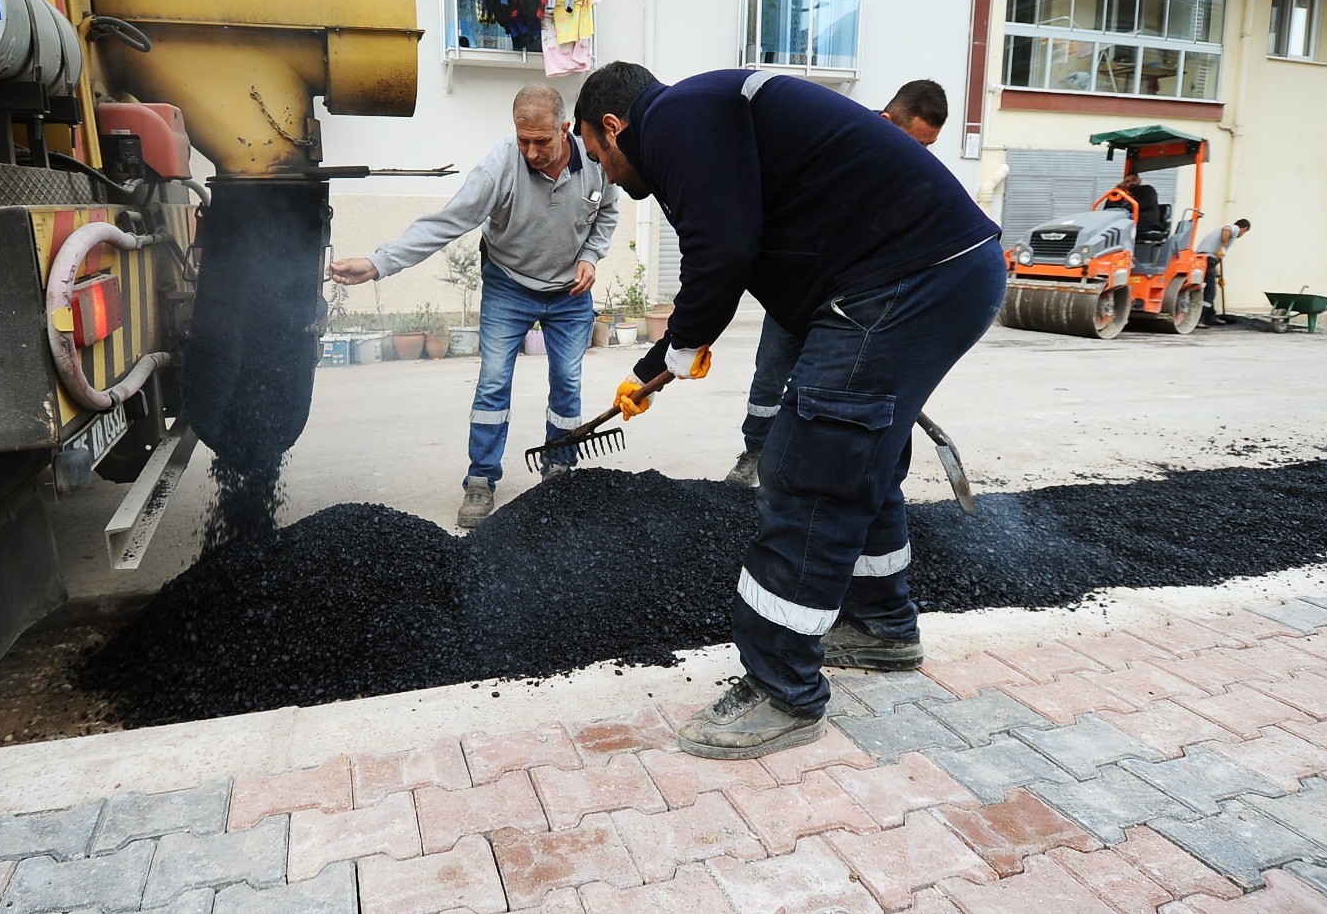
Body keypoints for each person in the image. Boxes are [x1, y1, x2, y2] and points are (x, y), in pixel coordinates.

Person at [575, 63, 1003, 760]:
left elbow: (722, 248)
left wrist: (674, 355)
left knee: (808, 469)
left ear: (614, 125)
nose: (607, 171)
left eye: (597, 153)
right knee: (862, 457)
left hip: (907, 279)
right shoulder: (708, 111)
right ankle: (881, 626)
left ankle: (782, 689)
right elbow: (749, 239)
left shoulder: (674, 117)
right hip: (937, 271)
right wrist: (661, 364)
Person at [330, 85, 620, 527]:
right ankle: (481, 480)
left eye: (542, 141)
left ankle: (560, 470)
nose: (532, 151)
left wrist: (591, 256)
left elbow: (609, 213)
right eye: (523, 139)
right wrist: (378, 263)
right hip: (508, 284)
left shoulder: (594, 162)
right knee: (493, 381)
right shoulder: (500, 166)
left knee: (568, 381)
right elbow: (447, 223)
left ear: (565, 130)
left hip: (568, 293)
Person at [725, 79, 950, 489]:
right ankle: (755, 451)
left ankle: (801, 466)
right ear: (885, 122)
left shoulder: (906, 178)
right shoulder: (837, 145)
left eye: (928, 148)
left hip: (851, 303)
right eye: (915, 144)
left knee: (831, 388)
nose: (920, 157)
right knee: (771, 374)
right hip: (796, 290)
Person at [1197, 218, 1251, 326]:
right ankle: (1200, 319)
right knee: (1210, 293)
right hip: (1207, 259)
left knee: (1209, 290)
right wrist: (1223, 247)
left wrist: (1218, 275)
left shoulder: (1220, 236)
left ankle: (1210, 317)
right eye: (1244, 233)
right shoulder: (1235, 228)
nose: (1242, 235)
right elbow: (1226, 230)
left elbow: (1213, 258)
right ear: (1244, 229)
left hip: (1204, 259)